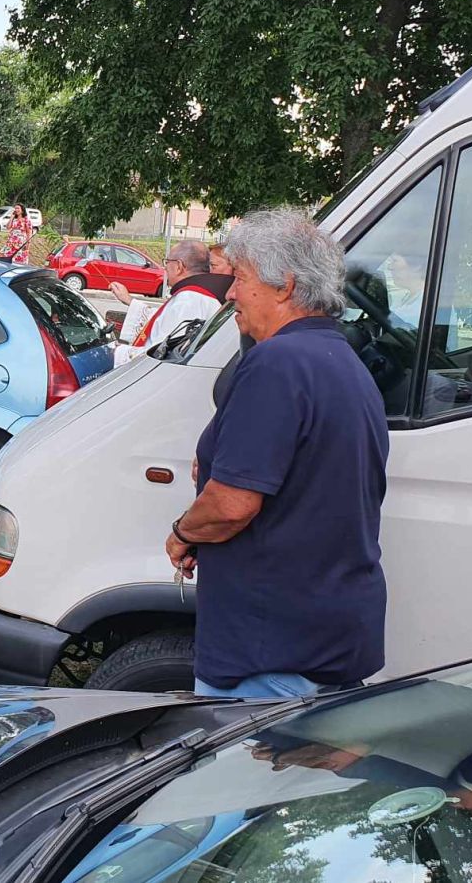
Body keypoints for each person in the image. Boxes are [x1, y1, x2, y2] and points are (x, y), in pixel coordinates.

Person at [167, 208, 388, 699]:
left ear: (284, 285)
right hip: (323, 634)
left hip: (270, 652)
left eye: (239, 278)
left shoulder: (277, 363)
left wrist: (183, 532)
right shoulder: (342, 361)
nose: (228, 294)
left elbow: (231, 505)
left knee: (238, 775)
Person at [109, 240, 227, 364]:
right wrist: (129, 300)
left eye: (167, 262)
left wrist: (118, 352)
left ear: (179, 266)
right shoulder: (196, 295)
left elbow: (163, 354)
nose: (165, 267)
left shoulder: (188, 300)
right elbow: (162, 320)